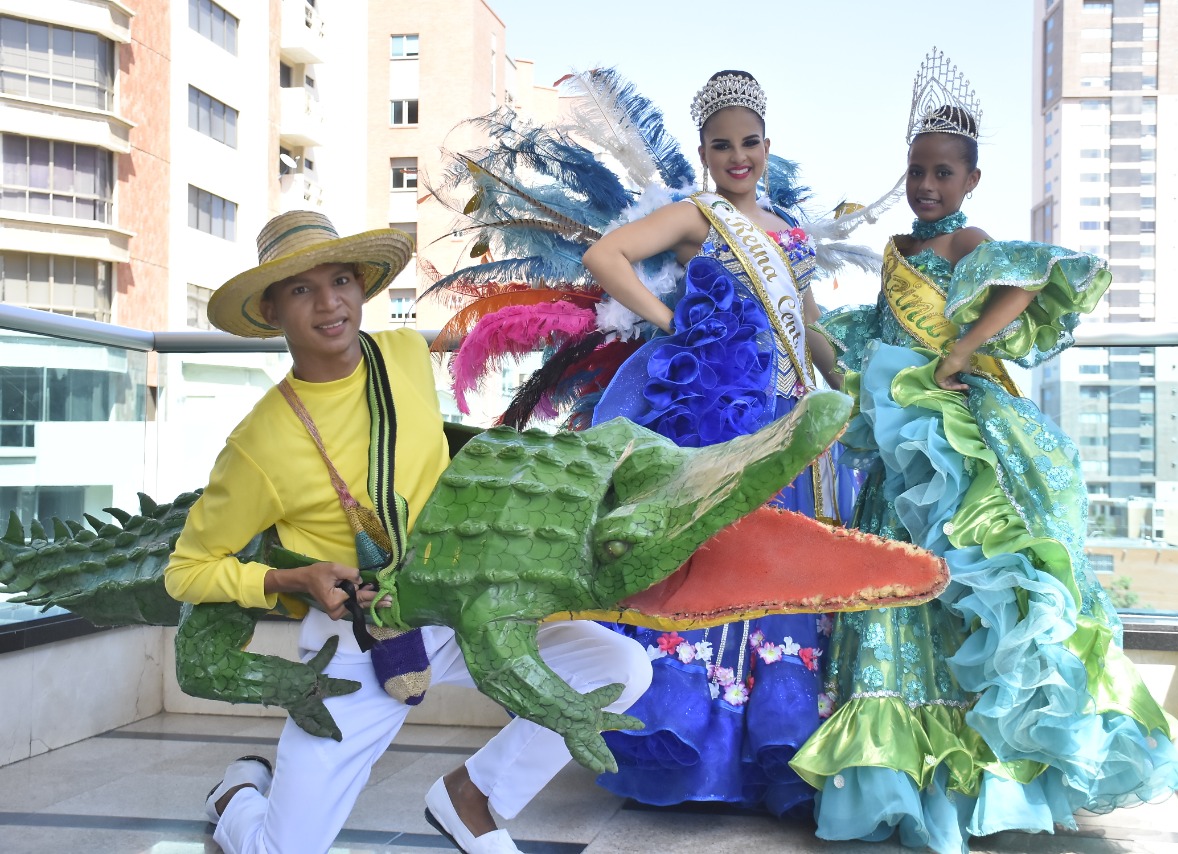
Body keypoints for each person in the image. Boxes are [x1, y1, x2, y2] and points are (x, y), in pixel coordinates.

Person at [787, 49, 1178, 852]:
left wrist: (968, 346)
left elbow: (1037, 278)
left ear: (970, 179)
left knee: (972, 592)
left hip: (958, 436)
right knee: (903, 590)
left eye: (942, 172)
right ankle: (911, 782)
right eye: (917, 172)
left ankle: (980, 783)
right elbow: (872, 333)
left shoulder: (971, 237)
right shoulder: (901, 248)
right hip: (903, 443)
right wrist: (804, 307)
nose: (927, 186)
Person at [165, 210, 651, 854]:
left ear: (362, 287)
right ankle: (237, 800)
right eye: (302, 289)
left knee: (619, 664)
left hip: (458, 612)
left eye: (340, 280)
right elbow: (187, 571)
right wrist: (291, 578)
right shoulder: (259, 444)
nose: (329, 303)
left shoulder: (403, 355)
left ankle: (473, 797)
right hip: (355, 645)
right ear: (274, 309)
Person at [580, 70, 852, 818]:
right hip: (722, 421)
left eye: (751, 143)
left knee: (783, 575)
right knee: (721, 568)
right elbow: (605, 257)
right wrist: (670, 324)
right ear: (703, 151)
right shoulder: (695, 216)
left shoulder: (789, 231)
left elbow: (805, 318)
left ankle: (776, 751)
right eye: (723, 145)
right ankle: (695, 747)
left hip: (793, 421)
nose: (739, 156)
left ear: (768, 146)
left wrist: (842, 379)